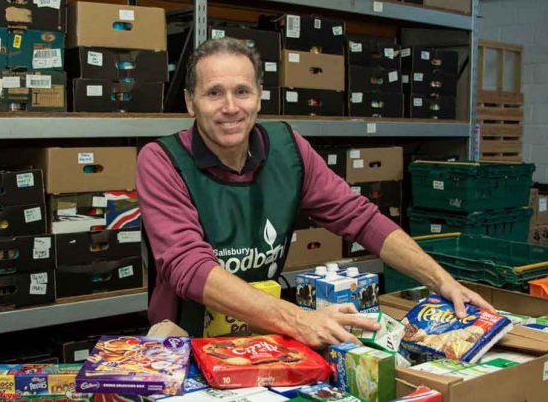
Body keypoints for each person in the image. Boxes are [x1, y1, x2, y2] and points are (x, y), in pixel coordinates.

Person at [136, 37, 494, 348]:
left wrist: (442, 281)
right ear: (190, 102)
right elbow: (189, 267)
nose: (230, 107)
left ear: (260, 97)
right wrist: (298, 320)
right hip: (185, 342)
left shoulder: (287, 149)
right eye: (214, 93)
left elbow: (359, 217)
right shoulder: (163, 161)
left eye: (242, 91)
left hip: (264, 334)